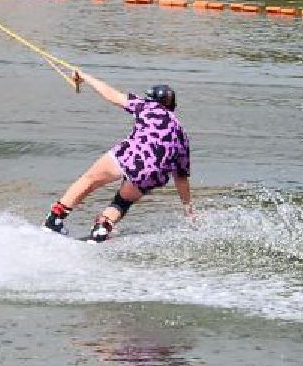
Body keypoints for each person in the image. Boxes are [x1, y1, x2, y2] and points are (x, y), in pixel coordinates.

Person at [44, 73, 193, 242]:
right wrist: (188, 209)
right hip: (153, 173)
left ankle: (54, 219)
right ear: (172, 105)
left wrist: (85, 76)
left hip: (131, 156)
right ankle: (101, 229)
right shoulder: (182, 134)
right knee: (122, 202)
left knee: (89, 180)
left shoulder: (148, 106)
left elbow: (111, 95)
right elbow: (181, 178)